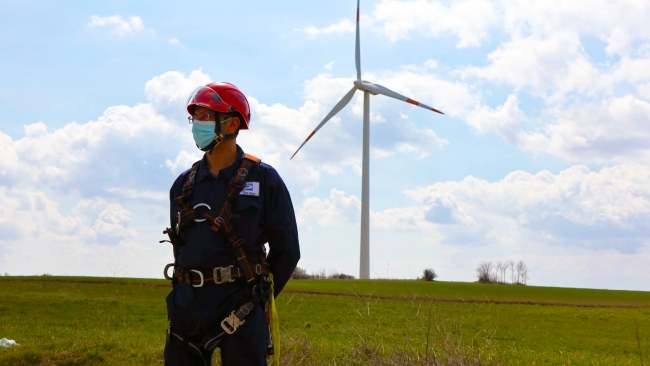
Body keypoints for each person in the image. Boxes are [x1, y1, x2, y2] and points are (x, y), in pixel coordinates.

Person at [162, 82, 300, 366]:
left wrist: (260, 294)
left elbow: (287, 250)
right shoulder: (183, 185)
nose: (196, 125)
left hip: (242, 306)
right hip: (187, 308)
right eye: (194, 117)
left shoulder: (264, 179)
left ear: (231, 123)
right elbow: (181, 246)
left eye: (204, 116)